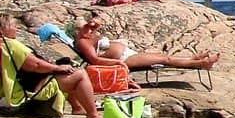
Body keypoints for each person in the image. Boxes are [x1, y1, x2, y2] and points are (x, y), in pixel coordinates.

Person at [0, 13, 101, 118]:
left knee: (69, 69)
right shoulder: (13, 45)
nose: (16, 28)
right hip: (33, 87)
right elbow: (35, 65)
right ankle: (92, 115)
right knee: (80, 74)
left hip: (25, 82)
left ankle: (77, 108)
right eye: (13, 26)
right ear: (3, 29)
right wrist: (56, 68)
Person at [74, 17, 219, 71]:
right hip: (123, 60)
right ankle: (200, 64)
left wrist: (92, 24)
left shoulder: (90, 36)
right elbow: (94, 60)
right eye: (86, 28)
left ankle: (194, 58)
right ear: (78, 31)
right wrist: (117, 64)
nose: (90, 29)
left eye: (90, 27)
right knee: (164, 60)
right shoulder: (82, 42)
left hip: (128, 54)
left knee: (163, 56)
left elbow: (97, 22)